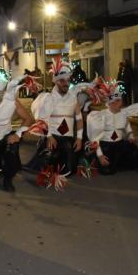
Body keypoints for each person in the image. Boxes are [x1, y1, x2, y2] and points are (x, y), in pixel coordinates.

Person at [25, 56, 84, 187]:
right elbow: (43, 120)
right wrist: (49, 136)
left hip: (67, 138)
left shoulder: (74, 98)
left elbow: (79, 120)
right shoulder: (49, 98)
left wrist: (79, 139)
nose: (66, 84)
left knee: (69, 169)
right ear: (56, 82)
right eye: (62, 81)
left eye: (68, 80)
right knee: (49, 157)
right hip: (52, 136)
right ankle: (39, 169)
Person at [87, 78, 138, 175]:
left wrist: (131, 137)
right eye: (115, 101)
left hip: (119, 144)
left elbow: (127, 127)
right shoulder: (101, 116)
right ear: (110, 103)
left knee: (133, 150)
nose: (118, 103)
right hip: (106, 146)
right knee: (108, 171)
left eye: (119, 101)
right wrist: (100, 155)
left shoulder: (123, 114)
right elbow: (95, 138)